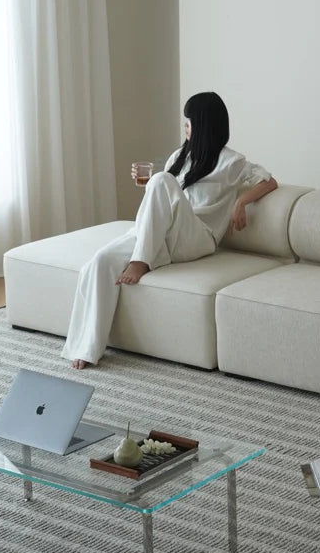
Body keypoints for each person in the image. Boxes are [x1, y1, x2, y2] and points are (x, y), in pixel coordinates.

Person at [61, 91, 277, 369]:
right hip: (166, 233)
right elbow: (168, 195)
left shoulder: (232, 162)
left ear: (204, 125)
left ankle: (141, 261)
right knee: (99, 262)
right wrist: (151, 186)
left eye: (189, 122)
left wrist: (241, 202)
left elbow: (269, 181)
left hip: (198, 238)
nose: (184, 127)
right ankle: (86, 347)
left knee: (161, 180)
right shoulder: (180, 155)